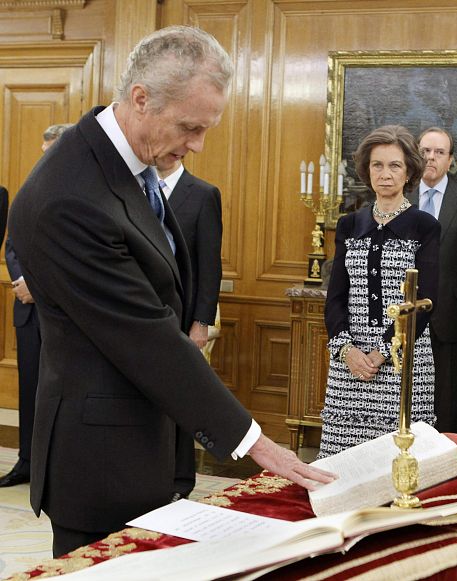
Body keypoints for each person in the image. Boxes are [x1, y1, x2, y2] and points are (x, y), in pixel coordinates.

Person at [7, 25, 334, 557]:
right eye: (189, 127)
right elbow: (146, 335)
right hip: (99, 461)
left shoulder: (123, 161)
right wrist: (255, 442)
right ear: (140, 99)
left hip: (141, 437)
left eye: (205, 129)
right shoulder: (71, 197)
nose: (197, 145)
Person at [319, 125, 439, 457]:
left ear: (410, 171)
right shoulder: (349, 225)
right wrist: (347, 351)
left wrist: (383, 352)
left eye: (394, 166)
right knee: (342, 461)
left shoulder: (424, 227)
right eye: (377, 165)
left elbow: (425, 302)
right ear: (366, 170)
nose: (385, 174)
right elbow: (336, 297)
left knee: (397, 459)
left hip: (402, 361)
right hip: (349, 361)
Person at [0, 124, 70, 489]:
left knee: (61, 392)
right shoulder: (29, 190)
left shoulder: (81, 194)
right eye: (42, 152)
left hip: (63, 315)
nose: (44, 160)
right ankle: (26, 461)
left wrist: (38, 287)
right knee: (29, 388)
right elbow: (13, 245)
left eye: (51, 151)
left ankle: (57, 468)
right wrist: (23, 282)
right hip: (28, 313)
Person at [409, 127, 457, 434]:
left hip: (451, 320)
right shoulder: (401, 197)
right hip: (404, 321)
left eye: (439, 152)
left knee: (446, 404)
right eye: (426, 151)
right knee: (403, 402)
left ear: (450, 160)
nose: (431, 157)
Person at [157, 159, 224, 499]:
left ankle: (181, 481)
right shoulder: (139, 188)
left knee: (181, 396)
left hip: (185, 318)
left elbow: (210, 265)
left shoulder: (203, 194)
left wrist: (201, 322)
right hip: (148, 314)